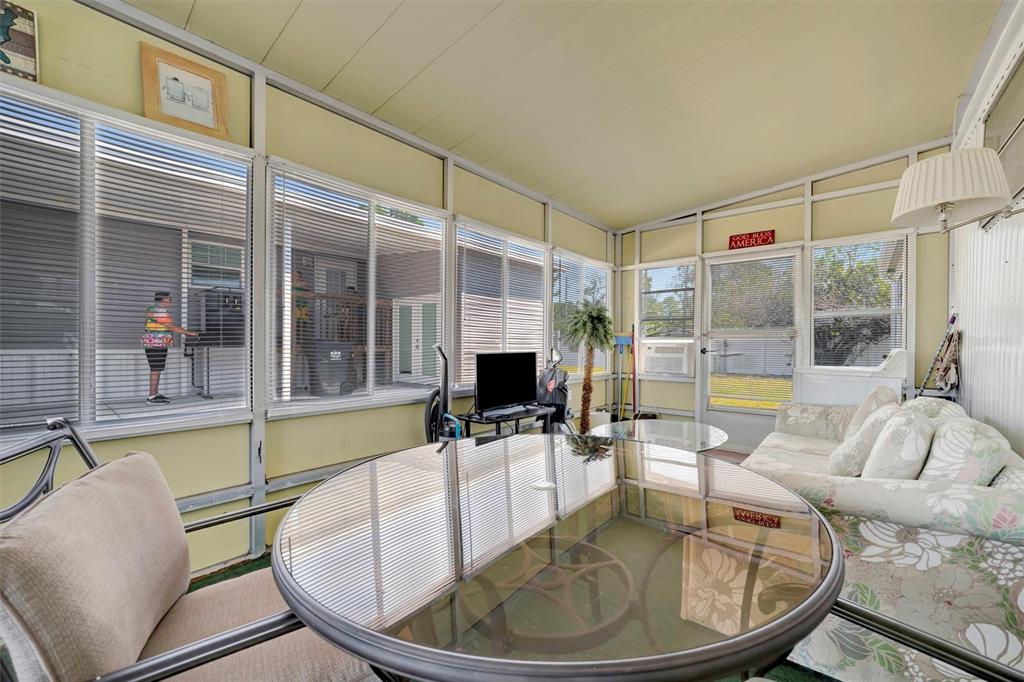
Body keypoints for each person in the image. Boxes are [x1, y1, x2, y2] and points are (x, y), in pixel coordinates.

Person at [141, 291, 197, 404]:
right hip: (156, 344)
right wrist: (190, 333)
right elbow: (171, 327)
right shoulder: (159, 311)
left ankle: (155, 393)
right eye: (168, 299)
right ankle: (152, 396)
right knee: (156, 369)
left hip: (154, 343)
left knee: (157, 368)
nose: (170, 302)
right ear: (161, 300)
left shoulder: (152, 309)